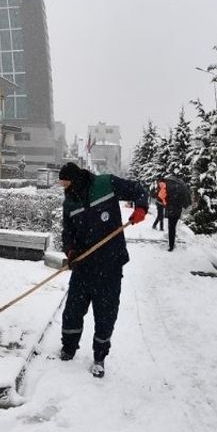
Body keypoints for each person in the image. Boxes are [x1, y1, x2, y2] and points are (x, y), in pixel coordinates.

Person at [58, 162, 150, 379]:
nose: (63, 187)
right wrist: (70, 251)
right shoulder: (70, 201)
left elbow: (138, 189)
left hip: (110, 265)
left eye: (65, 183)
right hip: (83, 265)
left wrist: (141, 208)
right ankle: (68, 349)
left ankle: (99, 357)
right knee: (72, 310)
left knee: (106, 313)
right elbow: (67, 232)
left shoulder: (105, 184)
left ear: (75, 179)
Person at [157, 175, 191, 252]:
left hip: (171, 209)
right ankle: (172, 243)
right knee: (173, 227)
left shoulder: (169, 187)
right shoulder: (181, 189)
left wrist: (166, 202)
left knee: (171, 227)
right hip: (178, 210)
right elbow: (185, 202)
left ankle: (171, 245)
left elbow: (161, 197)